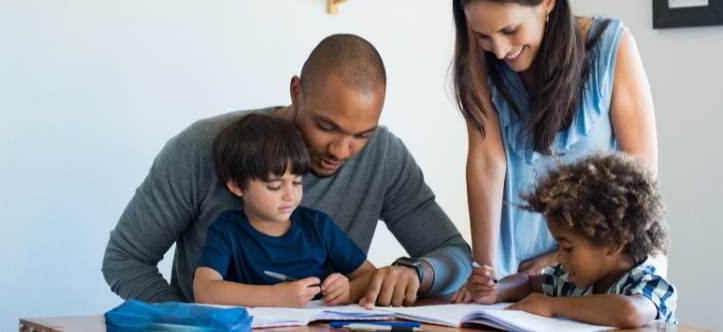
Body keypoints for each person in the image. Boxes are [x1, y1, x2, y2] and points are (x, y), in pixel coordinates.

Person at [103, 34, 471, 307]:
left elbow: (455, 255)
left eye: (361, 135)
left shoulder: (383, 156)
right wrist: (188, 323)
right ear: (297, 91)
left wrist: (417, 272)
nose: (341, 151)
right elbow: (125, 260)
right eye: (326, 127)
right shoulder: (202, 147)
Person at [449, 0, 660, 303]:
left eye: (510, 31)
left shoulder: (612, 46)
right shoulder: (482, 63)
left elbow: (639, 178)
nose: (499, 50)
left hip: (603, 272)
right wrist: (485, 271)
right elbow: (486, 162)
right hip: (515, 274)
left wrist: (562, 258)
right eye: (484, 36)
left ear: (548, 1)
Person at [467, 153, 677, 327]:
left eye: (567, 248)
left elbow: (629, 312)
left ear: (613, 244)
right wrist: (496, 290)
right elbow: (527, 282)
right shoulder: (573, 281)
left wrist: (552, 305)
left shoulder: (649, 282)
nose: (558, 257)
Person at [193, 113, 375, 307]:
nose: (290, 195)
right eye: (275, 186)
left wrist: (348, 289)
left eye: (297, 182)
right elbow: (204, 291)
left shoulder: (319, 227)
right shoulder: (227, 231)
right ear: (237, 186)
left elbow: (370, 275)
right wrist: (275, 297)